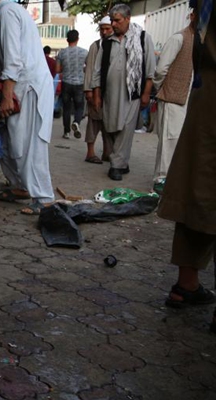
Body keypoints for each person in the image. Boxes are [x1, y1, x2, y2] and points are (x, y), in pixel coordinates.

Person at [157, 0, 215, 331]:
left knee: (199, 185)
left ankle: (187, 284)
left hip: (204, 99)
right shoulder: (180, 36)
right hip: (198, 96)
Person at [0, 0, 55, 215]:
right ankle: (20, 187)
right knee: (9, 140)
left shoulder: (7, 12)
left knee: (30, 144)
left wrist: (6, 97)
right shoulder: (6, 12)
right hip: (23, 85)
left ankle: (44, 198)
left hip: (29, 87)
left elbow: (13, 59)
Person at [92, 4, 156, 181]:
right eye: (112, 20)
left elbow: (150, 69)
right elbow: (97, 71)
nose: (113, 24)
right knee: (111, 128)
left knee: (125, 129)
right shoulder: (107, 42)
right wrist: (96, 94)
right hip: (109, 95)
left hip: (132, 94)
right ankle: (122, 161)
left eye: (117, 20)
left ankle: (116, 166)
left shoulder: (142, 38)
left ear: (128, 19)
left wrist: (146, 93)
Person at [152, 13, 196, 194]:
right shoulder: (179, 38)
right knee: (169, 143)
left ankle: (169, 184)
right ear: (192, 16)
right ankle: (160, 183)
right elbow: (161, 69)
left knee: (177, 144)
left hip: (186, 100)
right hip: (172, 100)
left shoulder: (199, 40)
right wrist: (162, 88)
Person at [83, 16, 114, 164]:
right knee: (94, 123)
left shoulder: (117, 45)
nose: (105, 32)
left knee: (109, 124)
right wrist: (88, 90)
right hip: (95, 91)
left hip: (111, 93)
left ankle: (108, 153)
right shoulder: (95, 46)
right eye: (103, 29)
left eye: (108, 29)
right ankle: (90, 153)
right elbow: (90, 69)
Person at [57, 29, 88, 139]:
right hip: (79, 83)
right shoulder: (84, 52)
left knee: (66, 108)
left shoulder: (61, 53)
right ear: (78, 39)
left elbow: (57, 69)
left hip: (66, 83)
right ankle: (76, 122)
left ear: (67, 40)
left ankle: (66, 132)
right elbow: (89, 68)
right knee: (79, 106)